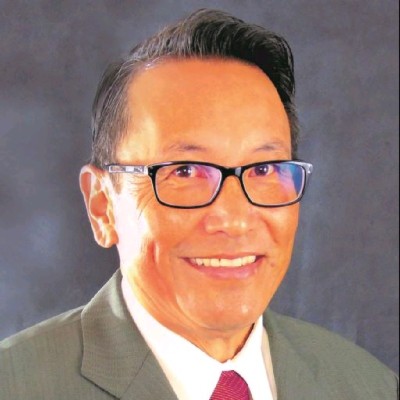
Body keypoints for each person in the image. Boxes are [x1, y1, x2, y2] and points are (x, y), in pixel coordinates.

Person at [0, 8, 397, 400]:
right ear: (102, 206)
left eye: (263, 169)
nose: (234, 220)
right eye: (186, 172)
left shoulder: (369, 386)